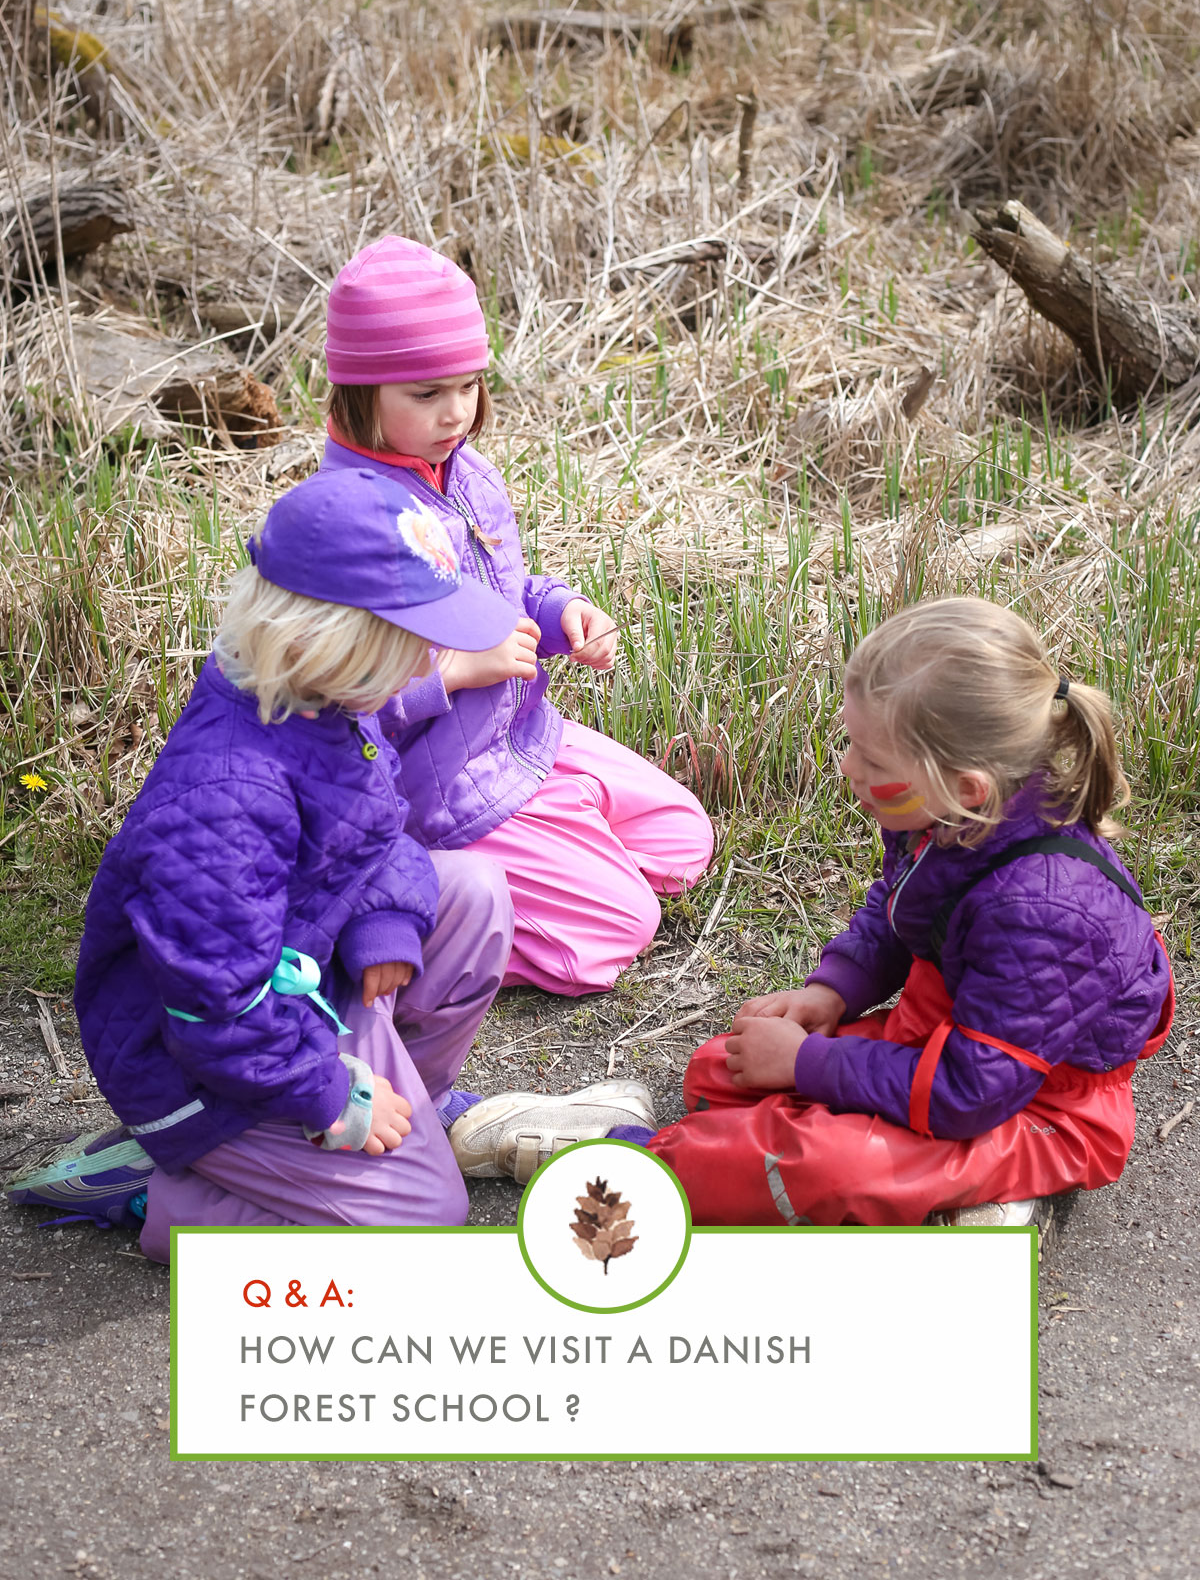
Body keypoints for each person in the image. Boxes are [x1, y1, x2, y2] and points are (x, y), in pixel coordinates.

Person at [5, 469, 654, 1254]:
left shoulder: (321, 701)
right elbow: (217, 1008)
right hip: (201, 1071)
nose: (429, 665)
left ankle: (404, 1109)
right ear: (330, 640)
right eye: (412, 643)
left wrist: (383, 918)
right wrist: (324, 1096)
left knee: (474, 891)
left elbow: (375, 829)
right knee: (421, 1217)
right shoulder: (225, 796)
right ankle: (165, 1195)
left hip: (292, 982)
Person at [605, 598, 1174, 1227]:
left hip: (1038, 1104)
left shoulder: (1046, 911)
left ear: (966, 786)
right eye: (853, 743)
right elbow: (898, 910)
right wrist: (833, 991)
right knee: (722, 1068)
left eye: (873, 761)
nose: (847, 767)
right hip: (954, 1038)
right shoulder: (942, 818)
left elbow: (968, 1090)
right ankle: (920, 1184)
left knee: (815, 1165)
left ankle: (666, 1179)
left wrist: (804, 1063)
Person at [318, 234, 714, 997]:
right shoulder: (344, 521)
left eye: (467, 386)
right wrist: (457, 671)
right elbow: (336, 701)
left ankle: (558, 847)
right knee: (614, 935)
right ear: (362, 391)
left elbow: (502, 588)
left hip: (519, 735)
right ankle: (399, 903)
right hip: (435, 789)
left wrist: (561, 610)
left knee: (682, 841)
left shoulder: (465, 476)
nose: (455, 412)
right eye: (426, 395)